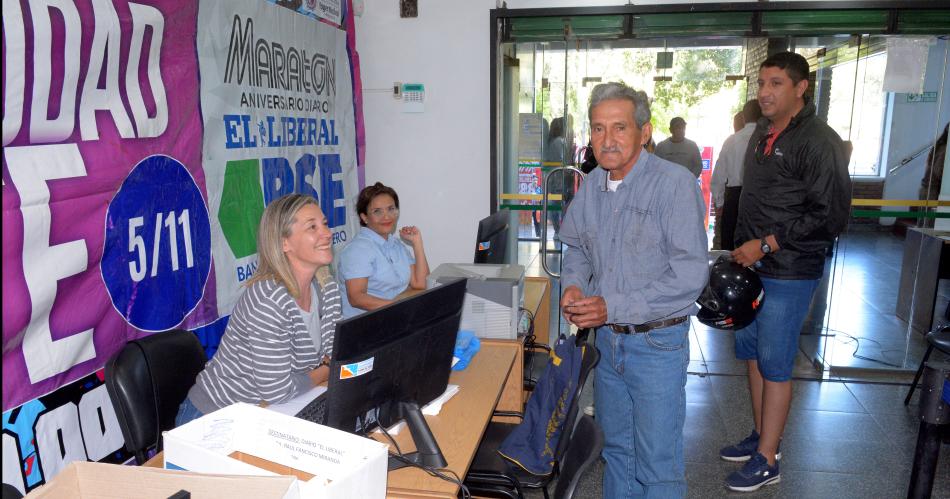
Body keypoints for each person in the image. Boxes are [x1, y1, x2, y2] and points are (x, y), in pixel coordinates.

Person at [559, 82, 708, 498]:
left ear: (644, 132)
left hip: (657, 345)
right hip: (609, 345)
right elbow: (577, 249)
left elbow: (689, 275)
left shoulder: (674, 185)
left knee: (658, 463)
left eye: (619, 127)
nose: (607, 140)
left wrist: (612, 306)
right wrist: (573, 285)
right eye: (598, 128)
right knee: (618, 453)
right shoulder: (592, 184)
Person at [722, 52, 851, 492]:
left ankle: (768, 459)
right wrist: (744, 250)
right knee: (754, 356)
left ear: (801, 88)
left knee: (776, 364)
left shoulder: (819, 141)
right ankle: (762, 435)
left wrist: (768, 243)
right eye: (762, 83)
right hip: (753, 267)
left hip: (790, 269)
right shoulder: (762, 133)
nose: (765, 92)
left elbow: (830, 214)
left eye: (776, 83)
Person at [176, 194, 343, 426]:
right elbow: (278, 389)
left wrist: (326, 367)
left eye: (324, 223)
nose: (327, 233)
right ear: (284, 243)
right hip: (215, 415)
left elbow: (335, 354)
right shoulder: (268, 299)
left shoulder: (327, 286)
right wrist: (325, 370)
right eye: (312, 227)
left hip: (269, 409)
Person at [338, 182, 429, 318]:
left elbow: (421, 283)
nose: (386, 217)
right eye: (377, 211)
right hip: (368, 323)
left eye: (391, 209)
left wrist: (417, 243)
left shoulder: (395, 244)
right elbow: (356, 298)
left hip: (396, 316)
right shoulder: (357, 250)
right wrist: (400, 309)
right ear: (364, 217)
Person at [711, 100, 762, 251]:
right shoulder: (767, 139)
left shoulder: (731, 140)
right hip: (759, 198)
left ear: (744, 118)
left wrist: (719, 203)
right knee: (755, 243)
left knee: (729, 244)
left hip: (734, 196)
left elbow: (719, 175)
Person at [919, 123, 948, 228]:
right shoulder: (945, 149)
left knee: (923, 223)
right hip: (932, 190)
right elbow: (938, 170)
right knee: (929, 225)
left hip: (927, 187)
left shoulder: (939, 146)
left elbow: (929, 166)